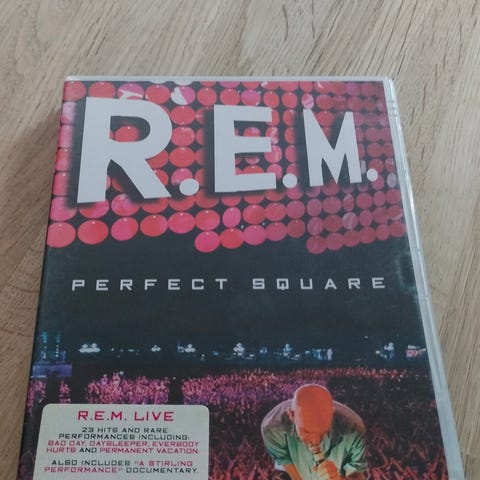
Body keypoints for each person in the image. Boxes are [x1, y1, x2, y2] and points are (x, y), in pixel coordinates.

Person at [261, 384, 367, 480]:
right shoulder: (273, 428)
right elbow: (285, 462)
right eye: (307, 431)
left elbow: (358, 475)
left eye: (322, 431)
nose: (316, 441)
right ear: (292, 415)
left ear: (332, 414)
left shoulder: (354, 430)